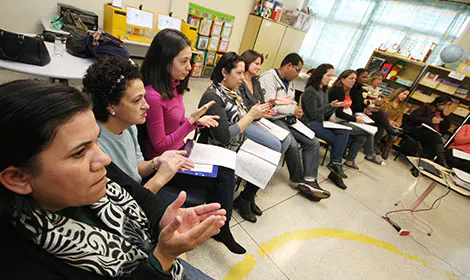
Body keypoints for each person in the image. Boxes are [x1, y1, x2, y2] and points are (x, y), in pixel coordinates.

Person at [0, 80, 225, 279]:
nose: (105, 158)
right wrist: (162, 258)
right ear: (18, 178)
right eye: (79, 153)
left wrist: (164, 218)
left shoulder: (116, 146)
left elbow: (135, 192)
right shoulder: (20, 262)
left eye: (96, 141)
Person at [139, 29, 244, 254]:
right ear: (165, 61)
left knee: (225, 167)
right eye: (184, 61)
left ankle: (217, 225)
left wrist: (194, 121)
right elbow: (159, 147)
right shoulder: (153, 96)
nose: (190, 68)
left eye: (190, 61)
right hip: (163, 160)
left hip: (180, 149)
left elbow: (176, 125)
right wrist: (191, 123)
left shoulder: (174, 86)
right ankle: (221, 229)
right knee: (223, 175)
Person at [83, 56, 193, 195]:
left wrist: (157, 161)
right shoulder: (96, 147)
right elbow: (123, 205)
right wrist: (159, 180)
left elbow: (136, 169)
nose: (146, 105)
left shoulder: (129, 127)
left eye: (143, 97)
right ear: (111, 106)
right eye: (136, 100)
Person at [258, 53, 331, 200]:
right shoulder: (269, 77)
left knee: (313, 142)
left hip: (288, 119)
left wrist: (296, 110)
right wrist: (293, 109)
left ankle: (310, 179)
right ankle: (299, 180)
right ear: (288, 65)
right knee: (291, 142)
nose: (298, 74)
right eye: (297, 70)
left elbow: (291, 101)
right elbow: (269, 105)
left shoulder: (289, 81)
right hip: (272, 119)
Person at [301, 63, 350, 189]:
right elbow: (312, 114)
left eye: (332, 76)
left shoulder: (324, 90)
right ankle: (335, 170)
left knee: (344, 132)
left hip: (320, 122)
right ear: (320, 75)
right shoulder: (310, 91)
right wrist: (331, 106)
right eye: (328, 75)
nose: (330, 78)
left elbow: (324, 113)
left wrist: (334, 108)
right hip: (309, 122)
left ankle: (335, 163)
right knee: (337, 141)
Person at [329, 69, 383, 169]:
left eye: (354, 79)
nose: (353, 81)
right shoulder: (338, 91)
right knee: (368, 132)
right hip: (337, 121)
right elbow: (339, 113)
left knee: (362, 137)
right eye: (351, 78)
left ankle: (350, 160)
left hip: (344, 119)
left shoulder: (347, 91)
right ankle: (370, 154)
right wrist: (354, 119)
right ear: (342, 79)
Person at [349, 69, 401, 150]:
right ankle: (389, 129)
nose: (380, 82)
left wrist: (380, 102)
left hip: (370, 109)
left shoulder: (379, 90)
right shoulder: (364, 87)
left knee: (381, 124)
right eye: (379, 79)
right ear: (373, 78)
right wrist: (370, 104)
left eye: (381, 80)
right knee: (381, 115)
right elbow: (362, 102)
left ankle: (372, 148)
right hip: (362, 110)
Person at [405, 96, 453, 168]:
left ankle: (418, 167)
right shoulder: (426, 108)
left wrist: (446, 116)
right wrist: (430, 121)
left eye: (448, 105)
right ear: (438, 103)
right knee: (435, 138)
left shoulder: (442, 114)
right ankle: (442, 160)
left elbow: (446, 127)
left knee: (433, 143)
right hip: (418, 130)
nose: (446, 107)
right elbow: (413, 117)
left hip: (431, 136)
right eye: (445, 104)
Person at [379, 87, 409, 160]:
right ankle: (374, 145)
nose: (405, 96)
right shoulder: (387, 101)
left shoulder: (402, 107)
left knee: (395, 132)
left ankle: (386, 150)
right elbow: (381, 112)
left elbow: (400, 118)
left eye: (406, 95)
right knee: (385, 131)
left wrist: (396, 123)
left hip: (392, 125)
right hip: (382, 121)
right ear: (398, 92)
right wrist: (388, 121)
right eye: (404, 94)